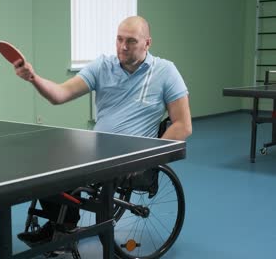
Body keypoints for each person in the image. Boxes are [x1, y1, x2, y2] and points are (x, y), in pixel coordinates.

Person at [14, 16, 192, 245]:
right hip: (94, 151)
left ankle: (62, 228)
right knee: (41, 164)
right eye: (119, 39)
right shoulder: (102, 66)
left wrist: (146, 158)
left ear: (147, 43)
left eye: (131, 41)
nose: (122, 46)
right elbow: (59, 94)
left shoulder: (166, 72)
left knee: (61, 173)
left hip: (129, 157)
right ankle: (64, 225)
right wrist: (33, 77)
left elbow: (182, 125)